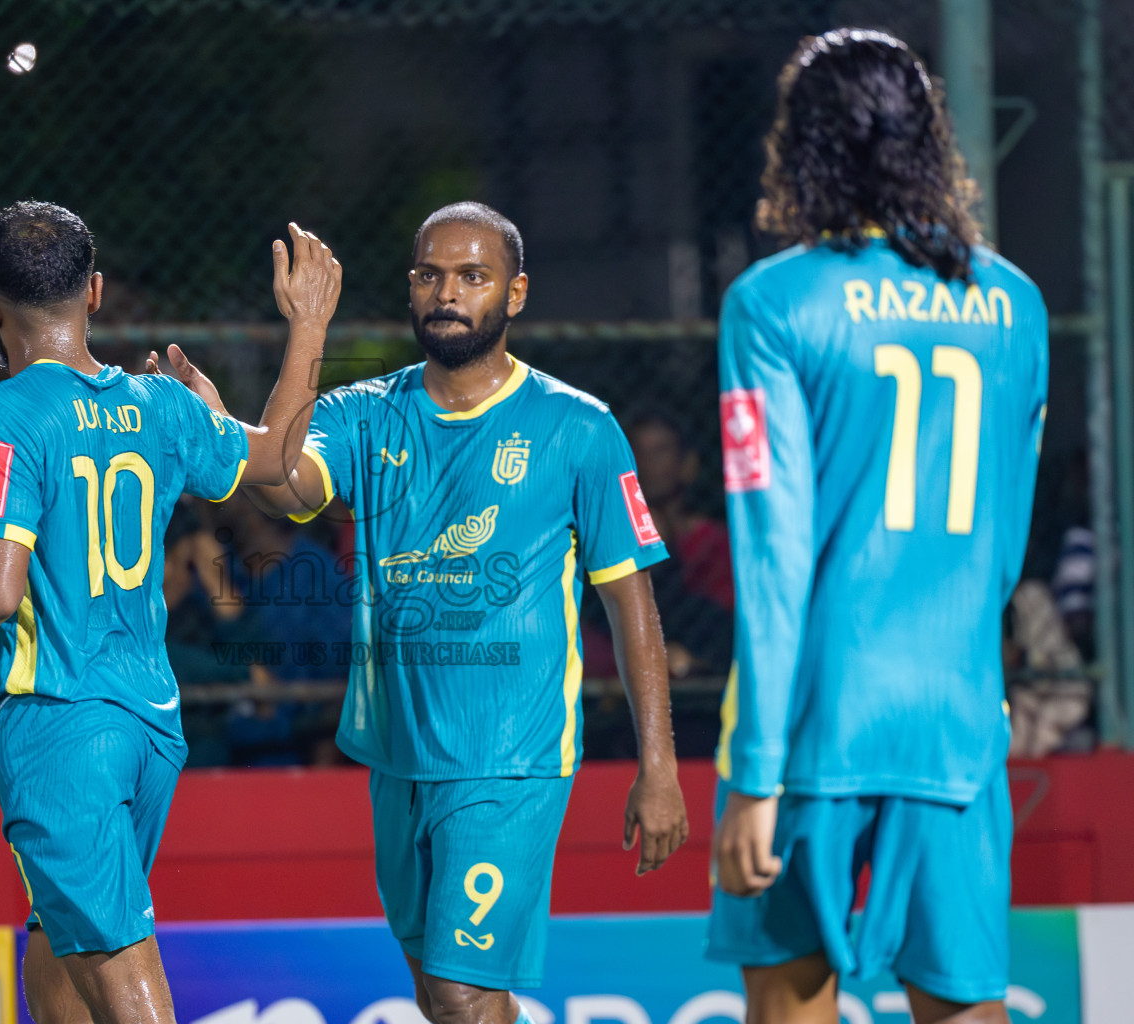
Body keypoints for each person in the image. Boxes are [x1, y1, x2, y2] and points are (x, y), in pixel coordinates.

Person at [0, 201, 341, 1023]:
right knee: (60, 951)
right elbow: (278, 458)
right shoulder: (161, 403)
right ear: (94, 292)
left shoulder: (6, 410)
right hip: (150, 728)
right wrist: (309, 325)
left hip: (60, 722)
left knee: (118, 967)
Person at [209, 201, 688, 1019]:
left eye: (473, 276)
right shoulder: (364, 412)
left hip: (509, 757)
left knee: (465, 992)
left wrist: (661, 765)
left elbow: (630, 601)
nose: (448, 293)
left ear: (516, 293)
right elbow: (281, 484)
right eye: (431, 275)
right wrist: (306, 333)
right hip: (397, 751)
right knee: (441, 993)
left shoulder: (578, 427)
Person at [707, 30, 1048, 1024]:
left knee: (790, 1004)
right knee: (968, 1007)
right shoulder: (1014, 303)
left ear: (802, 145)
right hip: (955, 712)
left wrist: (756, 773)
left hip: (814, 721)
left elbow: (773, 554)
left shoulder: (771, 304)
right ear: (929, 139)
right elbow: (1005, 544)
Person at [625, 410, 734, 677]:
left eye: (660, 451)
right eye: (637, 451)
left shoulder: (715, 543)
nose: (647, 463)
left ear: (688, 464)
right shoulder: (607, 542)